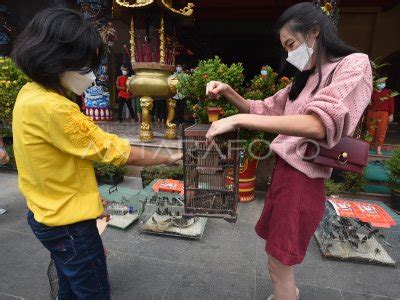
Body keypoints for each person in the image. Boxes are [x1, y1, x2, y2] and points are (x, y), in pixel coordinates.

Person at [205, 3, 372, 300]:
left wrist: (238, 119)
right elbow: (262, 108)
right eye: (285, 48)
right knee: (276, 250)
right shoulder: (304, 78)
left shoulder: (353, 64)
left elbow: (319, 124)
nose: (289, 54)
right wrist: (229, 91)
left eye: (291, 44)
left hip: (302, 178)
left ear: (315, 31)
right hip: (284, 172)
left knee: (279, 261)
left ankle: (286, 294)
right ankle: (287, 292)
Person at [11, 8, 182, 299]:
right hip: (70, 227)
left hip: (45, 214)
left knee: (69, 285)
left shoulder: (29, 93)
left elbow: (56, 162)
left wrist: (88, 196)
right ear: (56, 58)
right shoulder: (56, 108)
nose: (91, 76)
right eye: (85, 66)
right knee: (93, 292)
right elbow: (115, 151)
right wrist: (170, 156)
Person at [366, 80, 395, 155]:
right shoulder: (372, 91)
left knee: (381, 131)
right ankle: (366, 148)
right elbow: (368, 103)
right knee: (370, 131)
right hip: (372, 113)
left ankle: (379, 149)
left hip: (384, 114)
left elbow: (391, 103)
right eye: (379, 83)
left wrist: (391, 114)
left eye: (383, 82)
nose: (381, 84)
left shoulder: (388, 91)